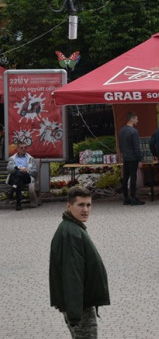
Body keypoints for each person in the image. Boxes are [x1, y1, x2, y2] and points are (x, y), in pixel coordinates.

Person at [49, 186, 110, 338]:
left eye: (88, 205)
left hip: (81, 303)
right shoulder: (70, 234)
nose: (85, 209)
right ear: (69, 206)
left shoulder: (74, 228)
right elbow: (72, 275)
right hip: (80, 306)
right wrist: (75, 314)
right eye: (81, 205)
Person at [118, 112, 145, 206]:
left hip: (125, 157)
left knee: (125, 177)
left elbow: (120, 145)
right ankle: (133, 197)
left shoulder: (121, 131)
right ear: (132, 119)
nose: (137, 120)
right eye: (136, 119)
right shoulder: (134, 131)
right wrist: (140, 159)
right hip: (133, 157)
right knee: (133, 177)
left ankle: (126, 197)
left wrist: (123, 154)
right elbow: (136, 147)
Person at [7, 142, 37, 211]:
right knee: (18, 177)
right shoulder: (12, 158)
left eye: (25, 147)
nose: (24, 149)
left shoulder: (30, 158)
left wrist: (27, 170)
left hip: (26, 177)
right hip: (16, 177)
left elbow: (35, 172)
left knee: (19, 174)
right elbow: (9, 169)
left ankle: (13, 190)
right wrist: (20, 169)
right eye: (21, 148)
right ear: (17, 149)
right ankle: (18, 203)